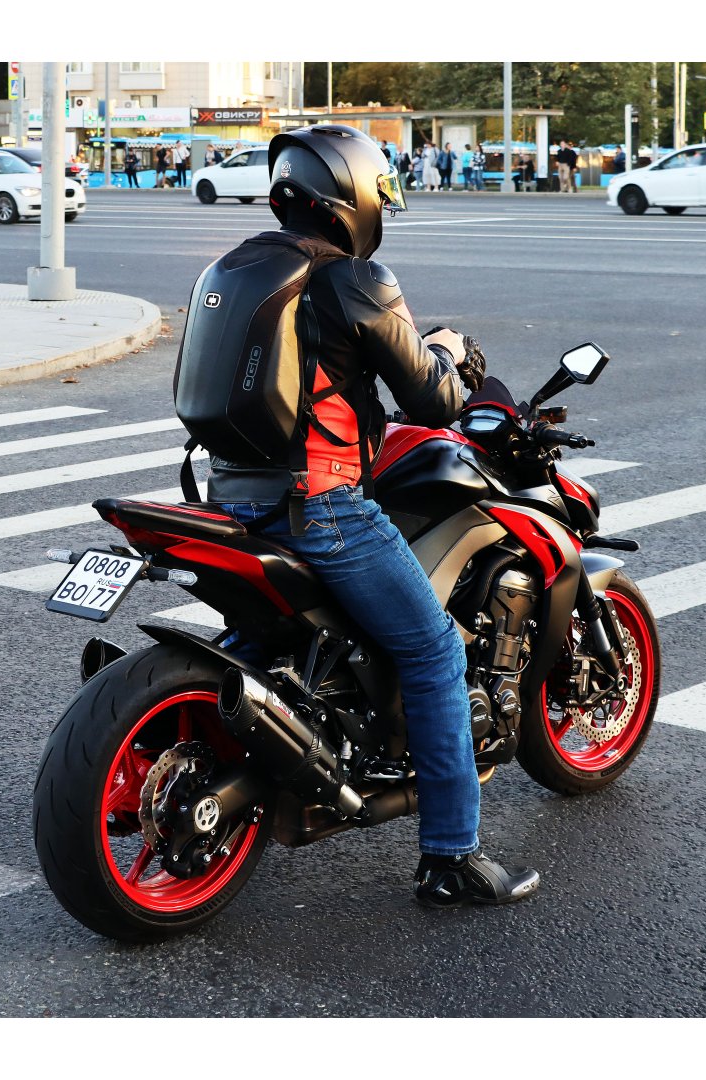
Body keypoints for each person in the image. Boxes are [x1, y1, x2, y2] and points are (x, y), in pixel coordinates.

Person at [176, 126, 541, 908]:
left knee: (265, 642)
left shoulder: (236, 266)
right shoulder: (353, 277)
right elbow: (433, 400)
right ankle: (452, 856)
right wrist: (448, 352)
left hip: (230, 497)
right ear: (354, 196)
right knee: (435, 650)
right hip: (321, 507)